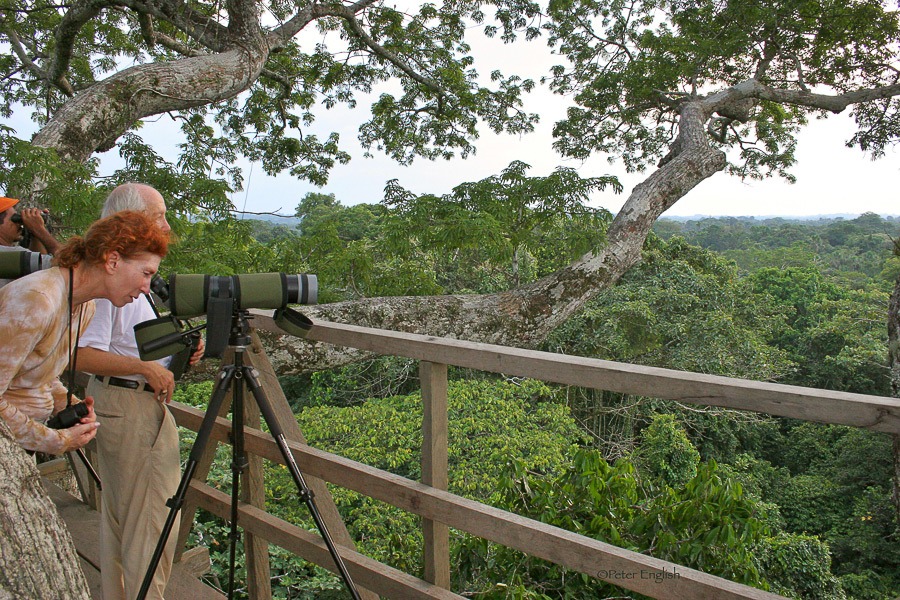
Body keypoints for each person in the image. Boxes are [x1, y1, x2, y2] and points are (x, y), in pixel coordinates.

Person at [77, 182, 204, 600]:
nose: (166, 225)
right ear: (128, 222)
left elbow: (128, 339)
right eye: (159, 215)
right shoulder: (106, 279)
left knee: (123, 523)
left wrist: (177, 354)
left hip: (124, 402)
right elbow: (80, 352)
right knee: (149, 527)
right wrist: (143, 368)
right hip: (129, 406)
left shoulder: (121, 271)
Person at [0, 210, 168, 456]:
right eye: (146, 273)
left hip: (17, 447)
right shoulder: (38, 300)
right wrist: (57, 440)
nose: (145, 289)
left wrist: (69, 404)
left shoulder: (83, 305)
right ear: (112, 261)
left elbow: (34, 374)